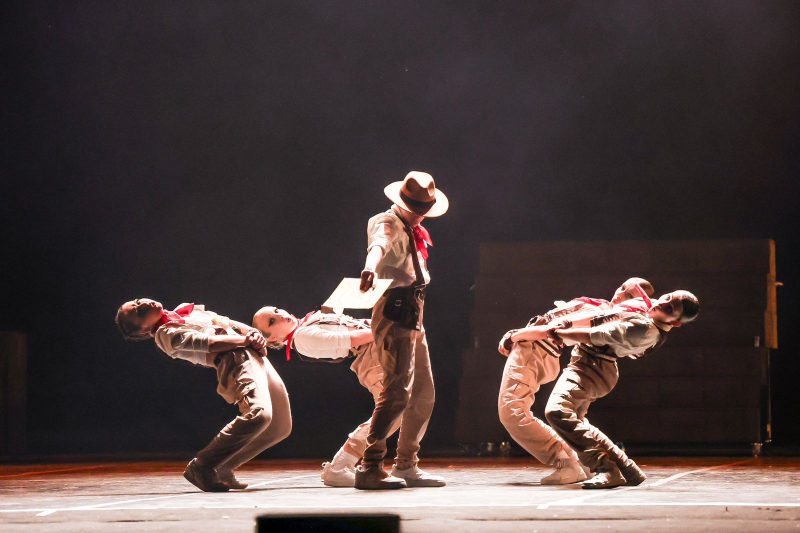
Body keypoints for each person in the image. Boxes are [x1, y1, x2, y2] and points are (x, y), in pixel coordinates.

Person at [115, 298, 292, 492]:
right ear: (143, 330)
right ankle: (202, 465)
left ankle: (224, 466)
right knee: (259, 415)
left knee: (280, 427)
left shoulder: (184, 310)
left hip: (255, 355)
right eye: (140, 312)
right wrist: (246, 339)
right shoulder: (164, 334)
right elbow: (208, 343)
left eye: (138, 301)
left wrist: (252, 332)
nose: (144, 304)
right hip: (236, 359)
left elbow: (226, 321)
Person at [496, 278, 654, 485]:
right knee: (572, 417)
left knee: (511, 411)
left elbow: (553, 330)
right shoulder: (600, 307)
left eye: (629, 295)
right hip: (539, 347)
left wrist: (514, 335)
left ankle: (565, 461)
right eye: (623, 287)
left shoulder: (609, 316)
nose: (621, 293)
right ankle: (587, 462)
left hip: (536, 347)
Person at [538, 290, 700, 489]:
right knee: (577, 421)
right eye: (667, 297)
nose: (661, 303)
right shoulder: (648, 318)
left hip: (592, 367)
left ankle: (605, 469)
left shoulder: (644, 329)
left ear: (675, 323)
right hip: (594, 365)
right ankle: (627, 469)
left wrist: (557, 332)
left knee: (557, 412)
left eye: (669, 308)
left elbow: (592, 335)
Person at [355, 171, 448, 490]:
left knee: (423, 390)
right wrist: (369, 266)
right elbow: (379, 244)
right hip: (395, 309)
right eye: (416, 208)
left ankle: (406, 463)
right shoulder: (388, 221)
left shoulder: (412, 228)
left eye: (424, 208)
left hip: (412, 310)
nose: (421, 214)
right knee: (397, 391)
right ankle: (370, 465)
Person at [252, 305, 399, 487]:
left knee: (409, 405)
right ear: (273, 338)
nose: (280, 315)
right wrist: (387, 327)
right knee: (394, 410)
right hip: (371, 355)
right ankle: (339, 466)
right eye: (272, 321)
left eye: (276, 310)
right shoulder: (302, 336)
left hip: (378, 345)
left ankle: (406, 463)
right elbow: (352, 339)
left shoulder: (308, 321)